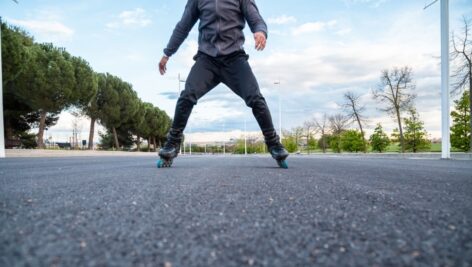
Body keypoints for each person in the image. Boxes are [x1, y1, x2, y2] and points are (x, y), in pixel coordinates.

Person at [157, 0, 289, 167]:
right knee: (187, 95)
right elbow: (183, 26)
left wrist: (260, 31)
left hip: (234, 58)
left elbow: (256, 19)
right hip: (207, 59)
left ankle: (274, 144)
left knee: (255, 97)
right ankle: (172, 143)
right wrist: (167, 53)